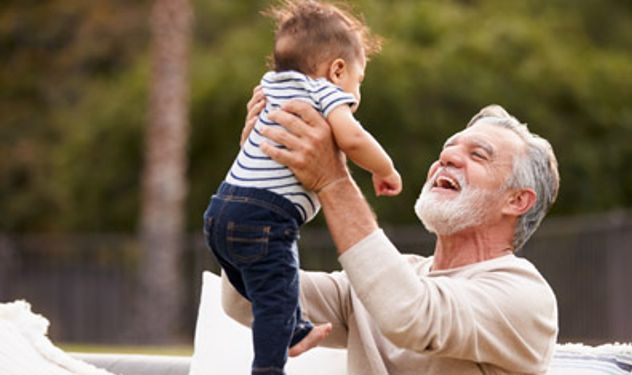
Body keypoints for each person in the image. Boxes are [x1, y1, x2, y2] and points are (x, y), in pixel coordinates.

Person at [221, 99, 561, 374]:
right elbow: (246, 300)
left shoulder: (525, 295)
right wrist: (259, 177)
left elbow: (409, 315)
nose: (447, 157)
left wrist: (333, 180)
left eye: (478, 155)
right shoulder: (392, 279)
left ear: (517, 200)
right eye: (449, 148)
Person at [202, 1, 401, 374]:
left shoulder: (270, 85)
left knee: (271, 286)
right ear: (338, 70)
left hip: (220, 211)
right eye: (359, 82)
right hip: (264, 216)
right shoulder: (324, 92)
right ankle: (268, 368)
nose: (357, 93)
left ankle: (294, 329)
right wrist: (385, 169)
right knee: (276, 297)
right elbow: (353, 139)